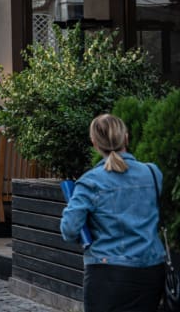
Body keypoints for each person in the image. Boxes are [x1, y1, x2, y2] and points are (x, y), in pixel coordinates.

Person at [60, 114, 166, 312]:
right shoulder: (153, 173)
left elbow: (69, 229)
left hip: (107, 272)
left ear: (94, 143)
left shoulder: (90, 182)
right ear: (126, 137)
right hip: (151, 268)